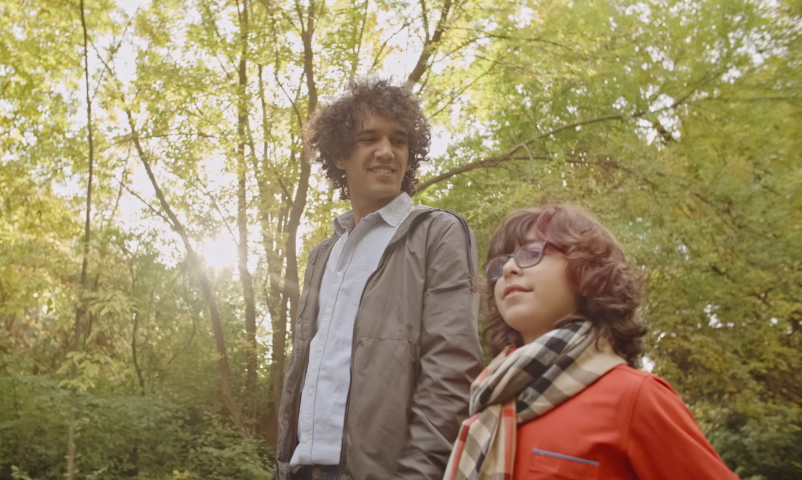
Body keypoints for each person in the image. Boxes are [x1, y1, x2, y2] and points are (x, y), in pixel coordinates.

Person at [273, 79, 483, 480]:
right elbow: (304, 372)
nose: (386, 152)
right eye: (368, 138)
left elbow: (451, 373)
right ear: (339, 155)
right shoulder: (322, 255)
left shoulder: (437, 233)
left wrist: (420, 474)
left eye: (399, 141)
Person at [443, 204, 740, 480]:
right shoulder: (490, 398)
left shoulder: (634, 397)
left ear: (586, 271)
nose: (508, 269)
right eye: (500, 263)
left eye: (531, 253)